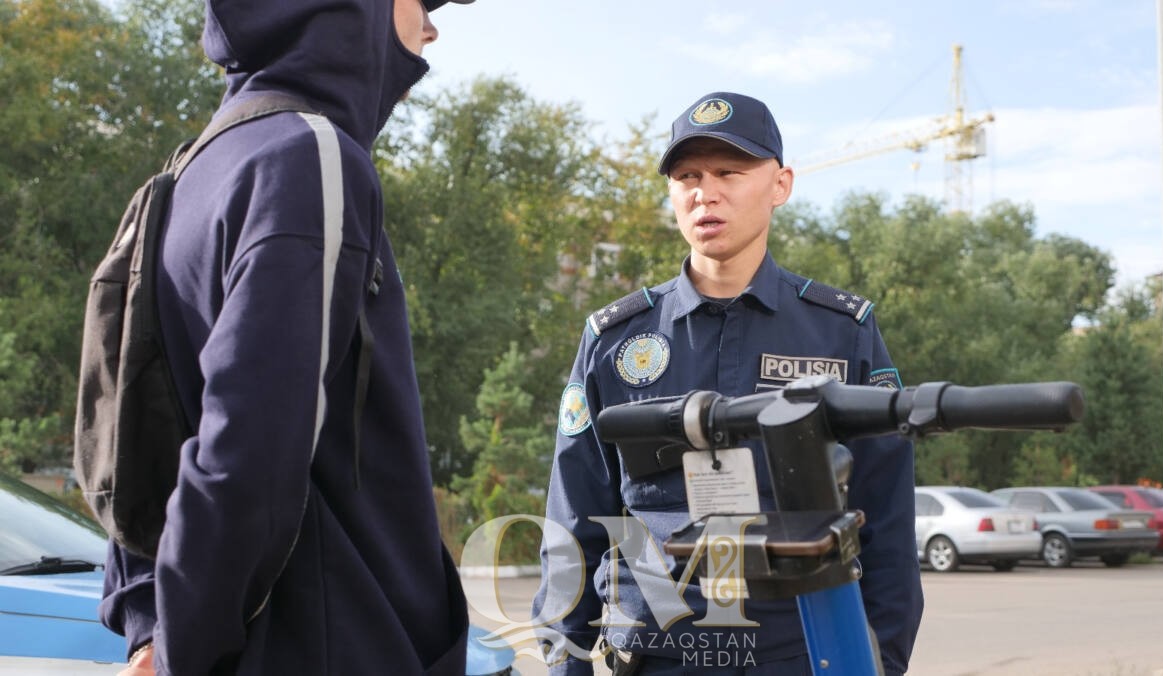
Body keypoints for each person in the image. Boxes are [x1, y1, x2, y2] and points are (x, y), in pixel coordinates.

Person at [100, 0, 475, 674]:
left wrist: (152, 624)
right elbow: (250, 451)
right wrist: (187, 646)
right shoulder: (311, 156)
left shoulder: (190, 170)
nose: (431, 29)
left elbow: (134, 439)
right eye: (421, 0)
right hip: (322, 646)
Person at [534, 92, 923, 675]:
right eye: (687, 175)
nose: (704, 192)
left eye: (729, 172)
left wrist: (880, 662)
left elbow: (886, 517)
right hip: (658, 654)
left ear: (780, 185)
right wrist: (566, 659)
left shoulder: (842, 333)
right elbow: (574, 511)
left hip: (802, 653)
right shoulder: (615, 339)